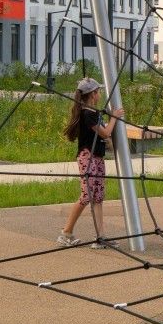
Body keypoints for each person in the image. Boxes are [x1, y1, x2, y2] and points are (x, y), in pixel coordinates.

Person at [58, 78, 125, 249]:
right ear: (93, 94)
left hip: (97, 157)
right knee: (86, 196)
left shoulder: (93, 112)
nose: (100, 94)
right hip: (88, 158)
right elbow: (105, 133)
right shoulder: (87, 114)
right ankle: (66, 233)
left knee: (98, 198)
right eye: (98, 91)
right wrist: (115, 117)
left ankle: (100, 237)